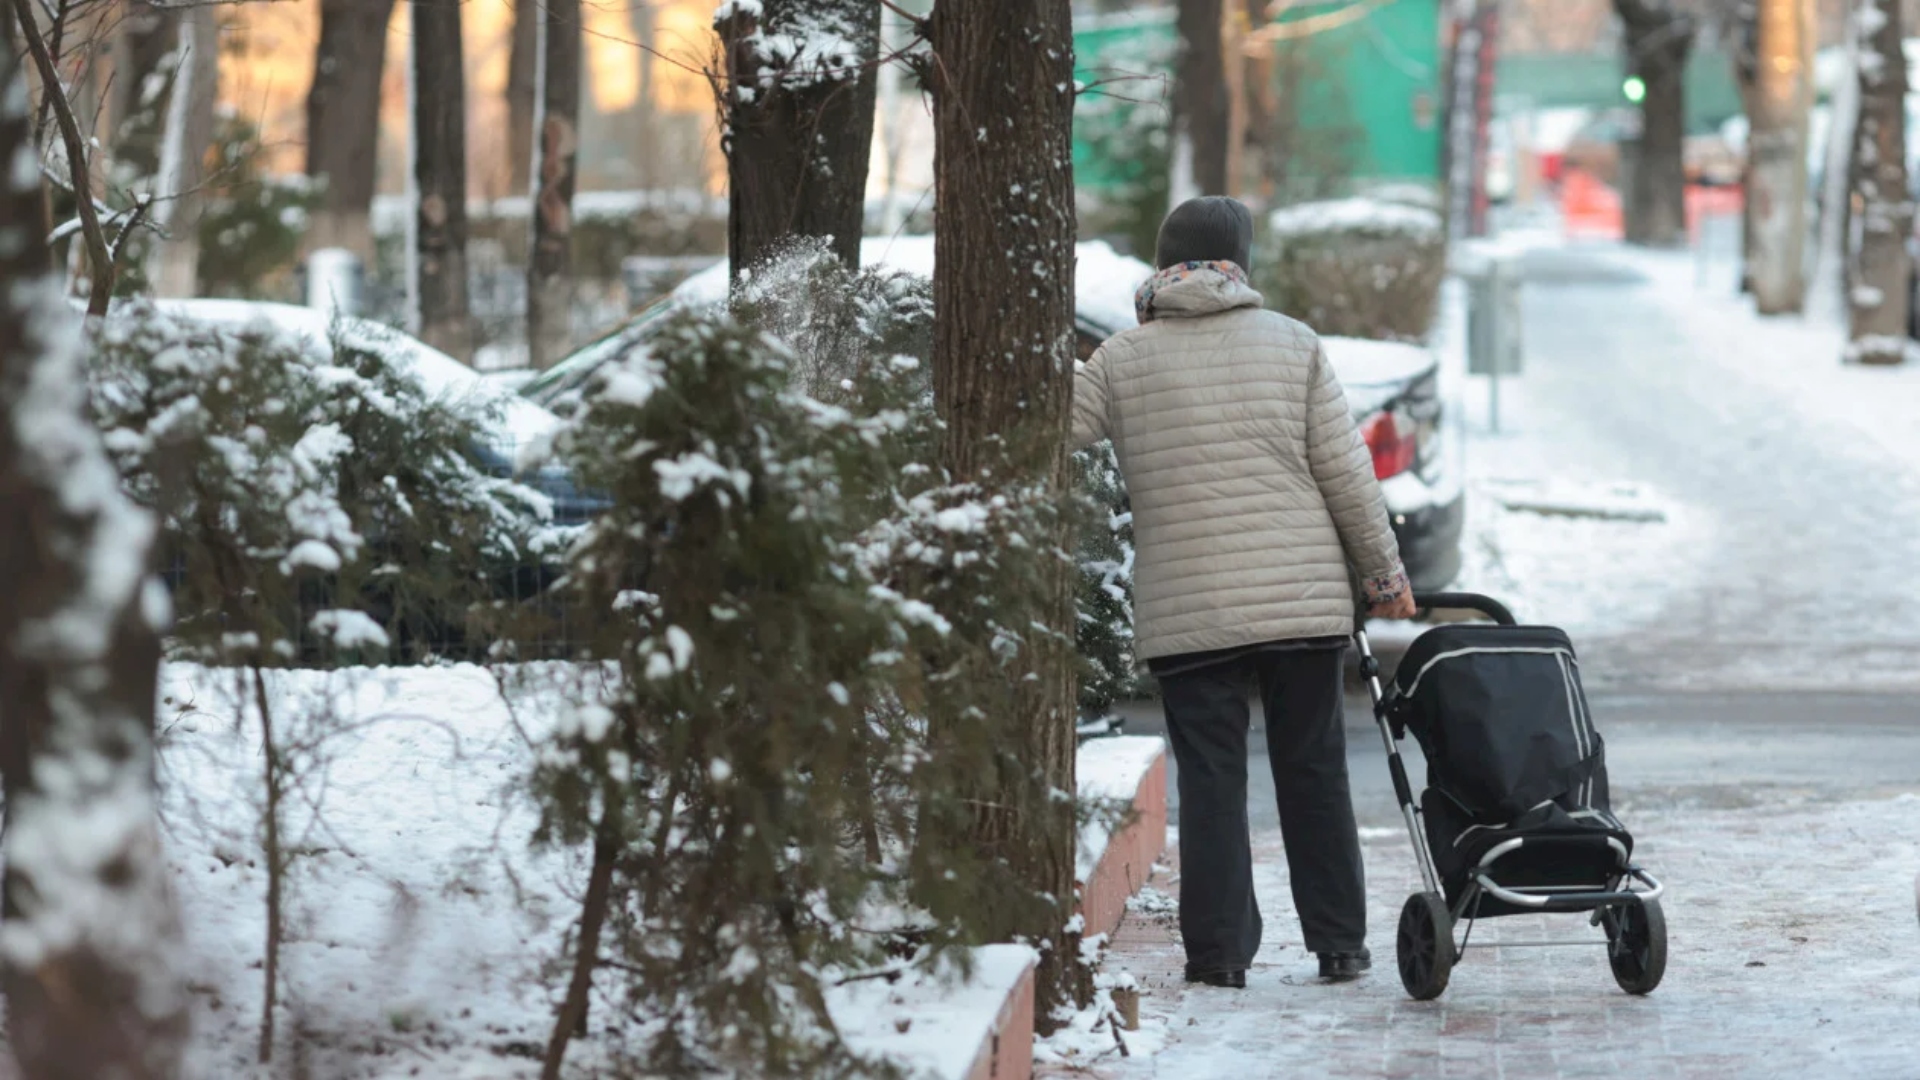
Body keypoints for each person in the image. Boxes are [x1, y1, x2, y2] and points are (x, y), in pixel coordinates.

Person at [1071, 196, 1416, 988]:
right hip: (1301, 600)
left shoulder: (1122, 357)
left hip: (1188, 608)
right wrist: (1385, 577)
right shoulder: (1294, 343)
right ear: (1241, 262)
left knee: (1213, 783)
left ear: (1163, 262)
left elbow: (1051, 429)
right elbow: (1347, 476)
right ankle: (1340, 943)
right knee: (1314, 770)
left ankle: (1219, 954)